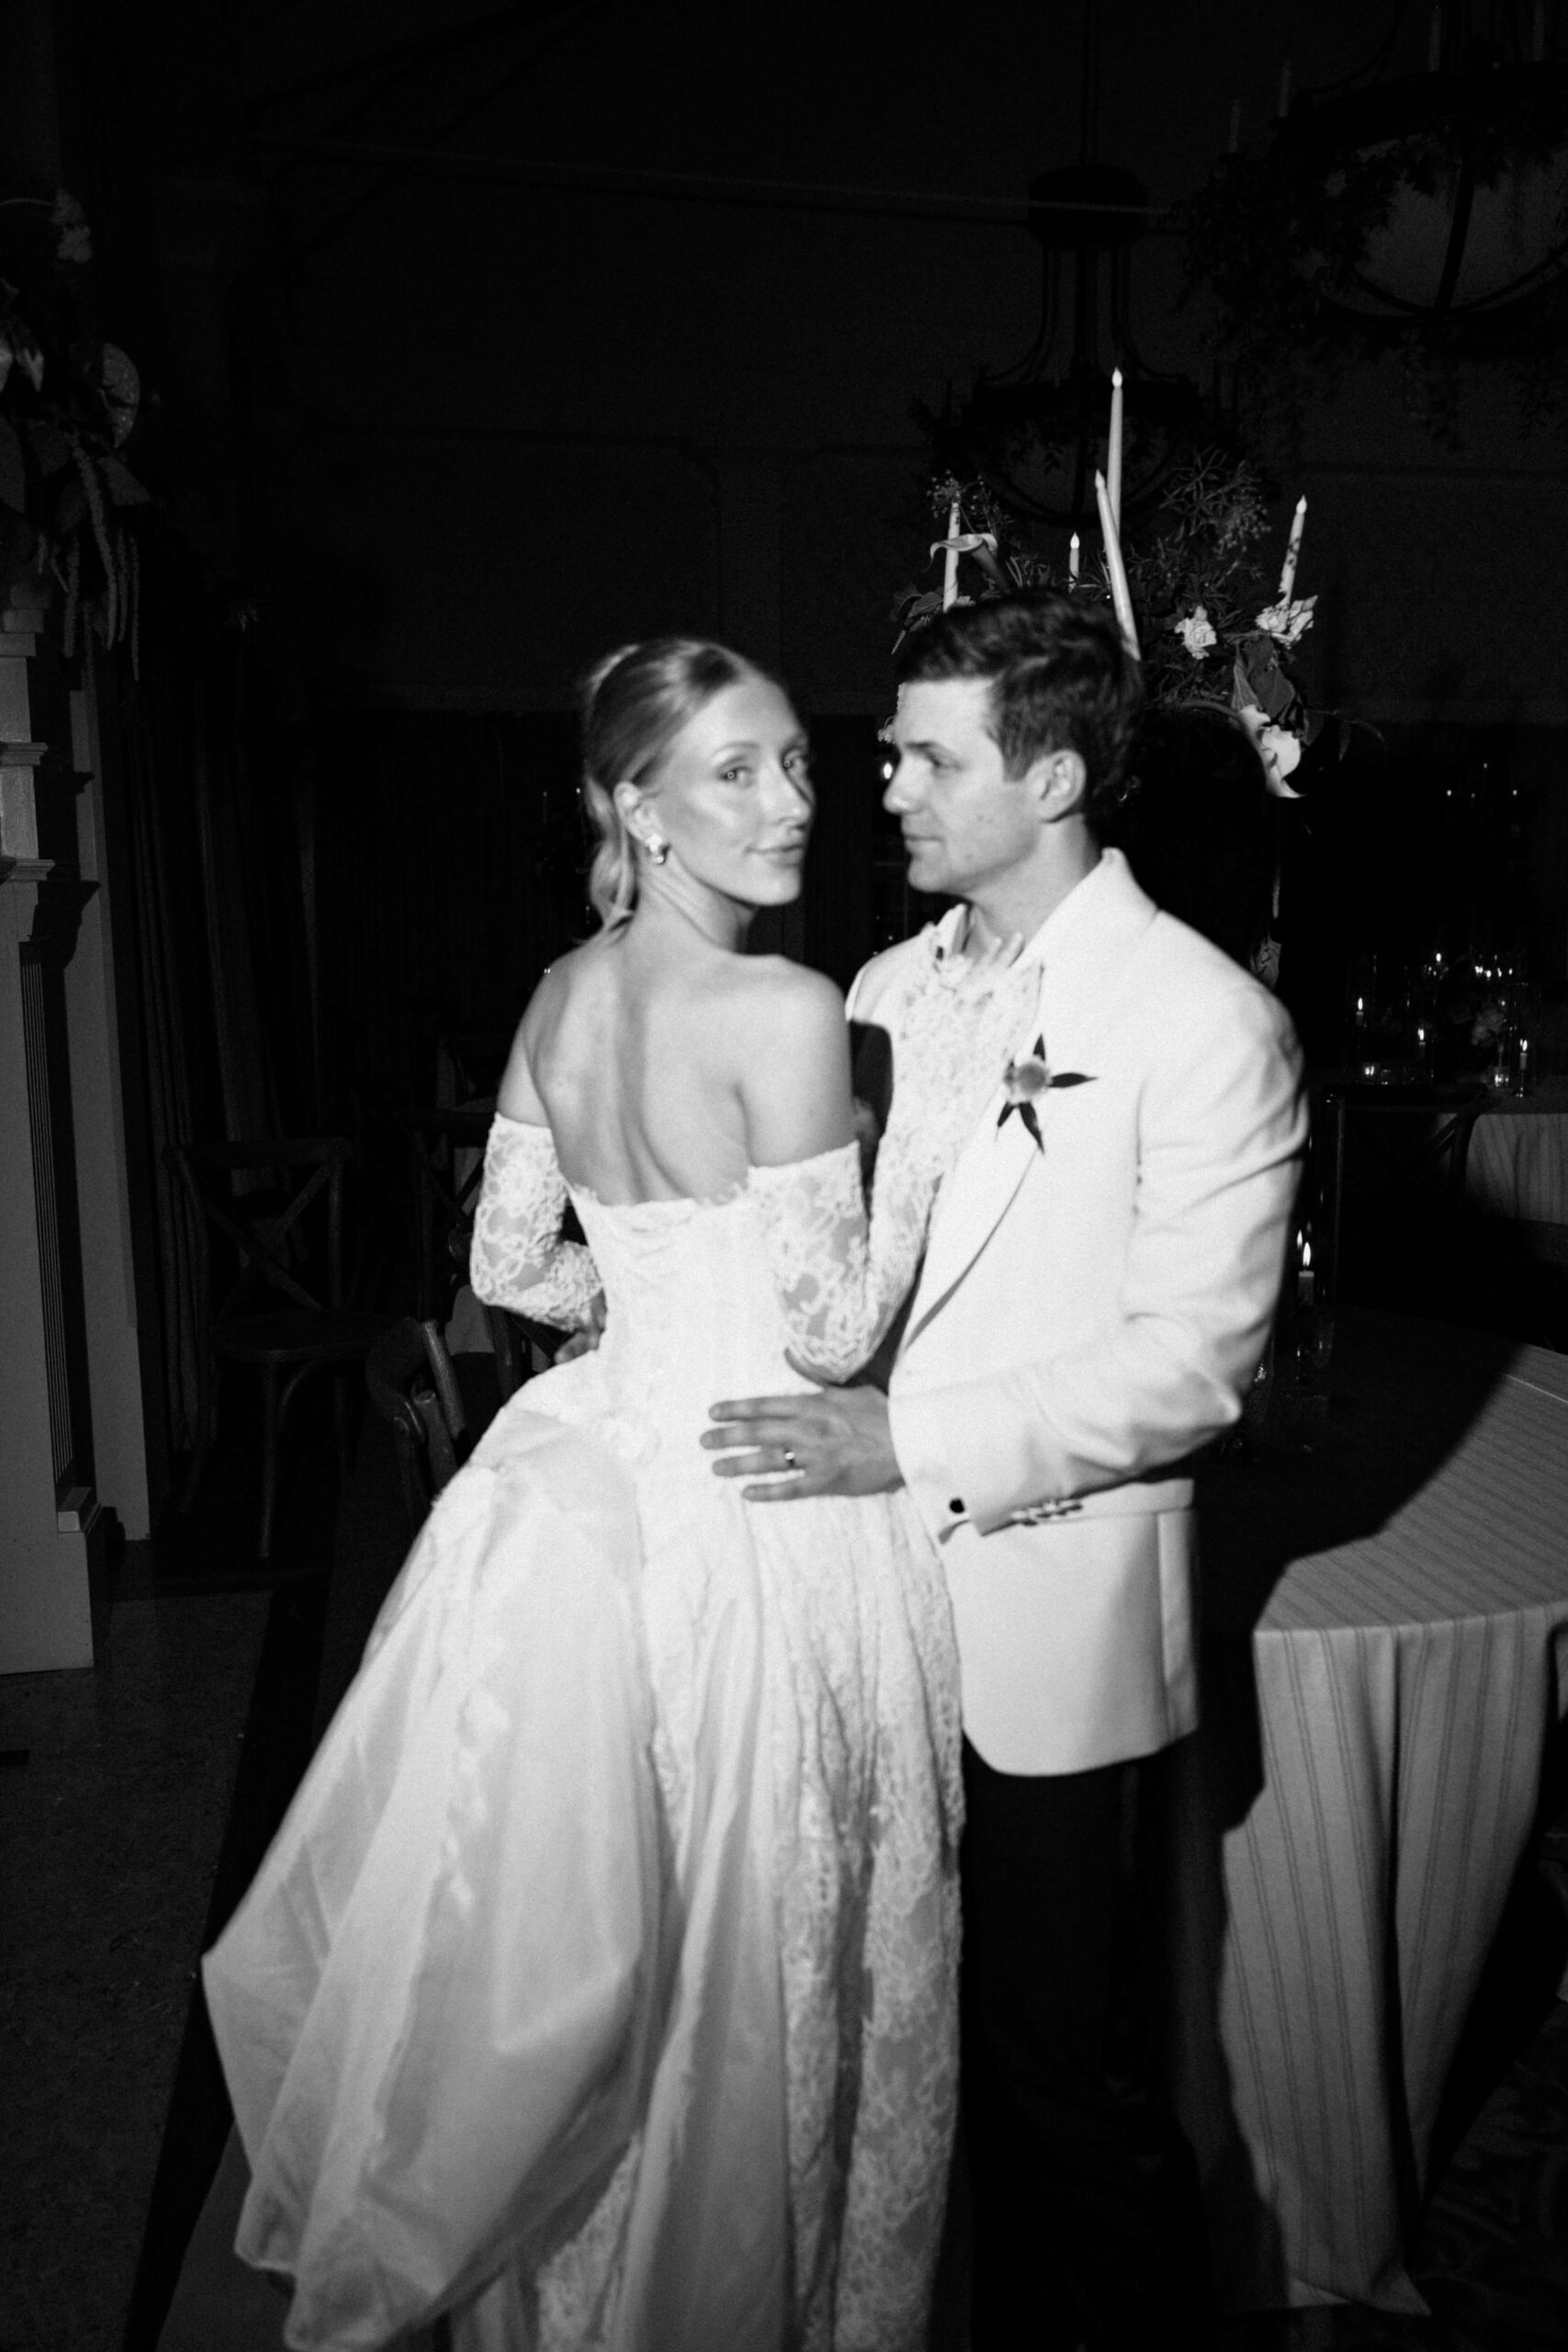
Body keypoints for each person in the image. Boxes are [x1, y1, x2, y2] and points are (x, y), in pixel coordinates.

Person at [201, 639, 974, 2352]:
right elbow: (830, 1332)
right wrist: (917, 1152)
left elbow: (503, 1263)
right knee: (767, 1925)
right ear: (642, 806)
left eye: (798, 762)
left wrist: (642, 1315)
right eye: (738, 771)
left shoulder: (558, 996)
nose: (793, 801)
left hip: (611, 1469)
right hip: (764, 1511)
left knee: (624, 1924)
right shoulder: (792, 1012)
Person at [704, 594, 1308, 2352]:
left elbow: (1193, 1365)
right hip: (865, 1607)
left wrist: (908, 1441)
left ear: (1052, 780)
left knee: (1065, 2080)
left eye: (926, 758)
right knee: (906, 2062)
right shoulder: (883, 990)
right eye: (889, 751)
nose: (883, 786)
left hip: (1052, 1629)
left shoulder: (1204, 1018)